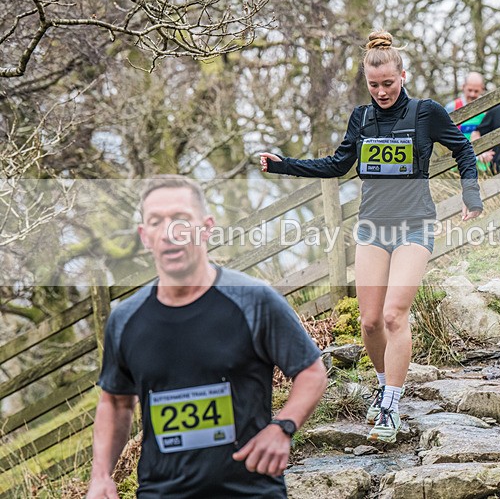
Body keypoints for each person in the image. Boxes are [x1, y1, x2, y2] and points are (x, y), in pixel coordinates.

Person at [260, 31, 483, 443]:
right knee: (370, 321)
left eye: (388, 83)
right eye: (373, 85)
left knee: (396, 314)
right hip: (372, 228)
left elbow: (463, 149)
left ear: (402, 74)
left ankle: (391, 405)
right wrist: (283, 165)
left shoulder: (425, 112)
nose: (381, 92)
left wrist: (471, 192)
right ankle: (384, 384)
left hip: (415, 225)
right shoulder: (361, 118)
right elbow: (336, 164)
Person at [86, 175, 327, 499]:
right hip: (162, 492)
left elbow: (311, 372)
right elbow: (115, 403)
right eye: (157, 221)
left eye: (181, 219)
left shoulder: (254, 300)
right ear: (145, 236)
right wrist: (101, 476)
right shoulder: (125, 319)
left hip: (250, 490)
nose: (170, 232)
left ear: (206, 227)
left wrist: (283, 426)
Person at [444, 72, 491, 170]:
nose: (472, 94)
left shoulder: (488, 109)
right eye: (469, 90)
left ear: (482, 89)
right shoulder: (451, 108)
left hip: (482, 166)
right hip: (457, 166)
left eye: (476, 91)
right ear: (463, 87)